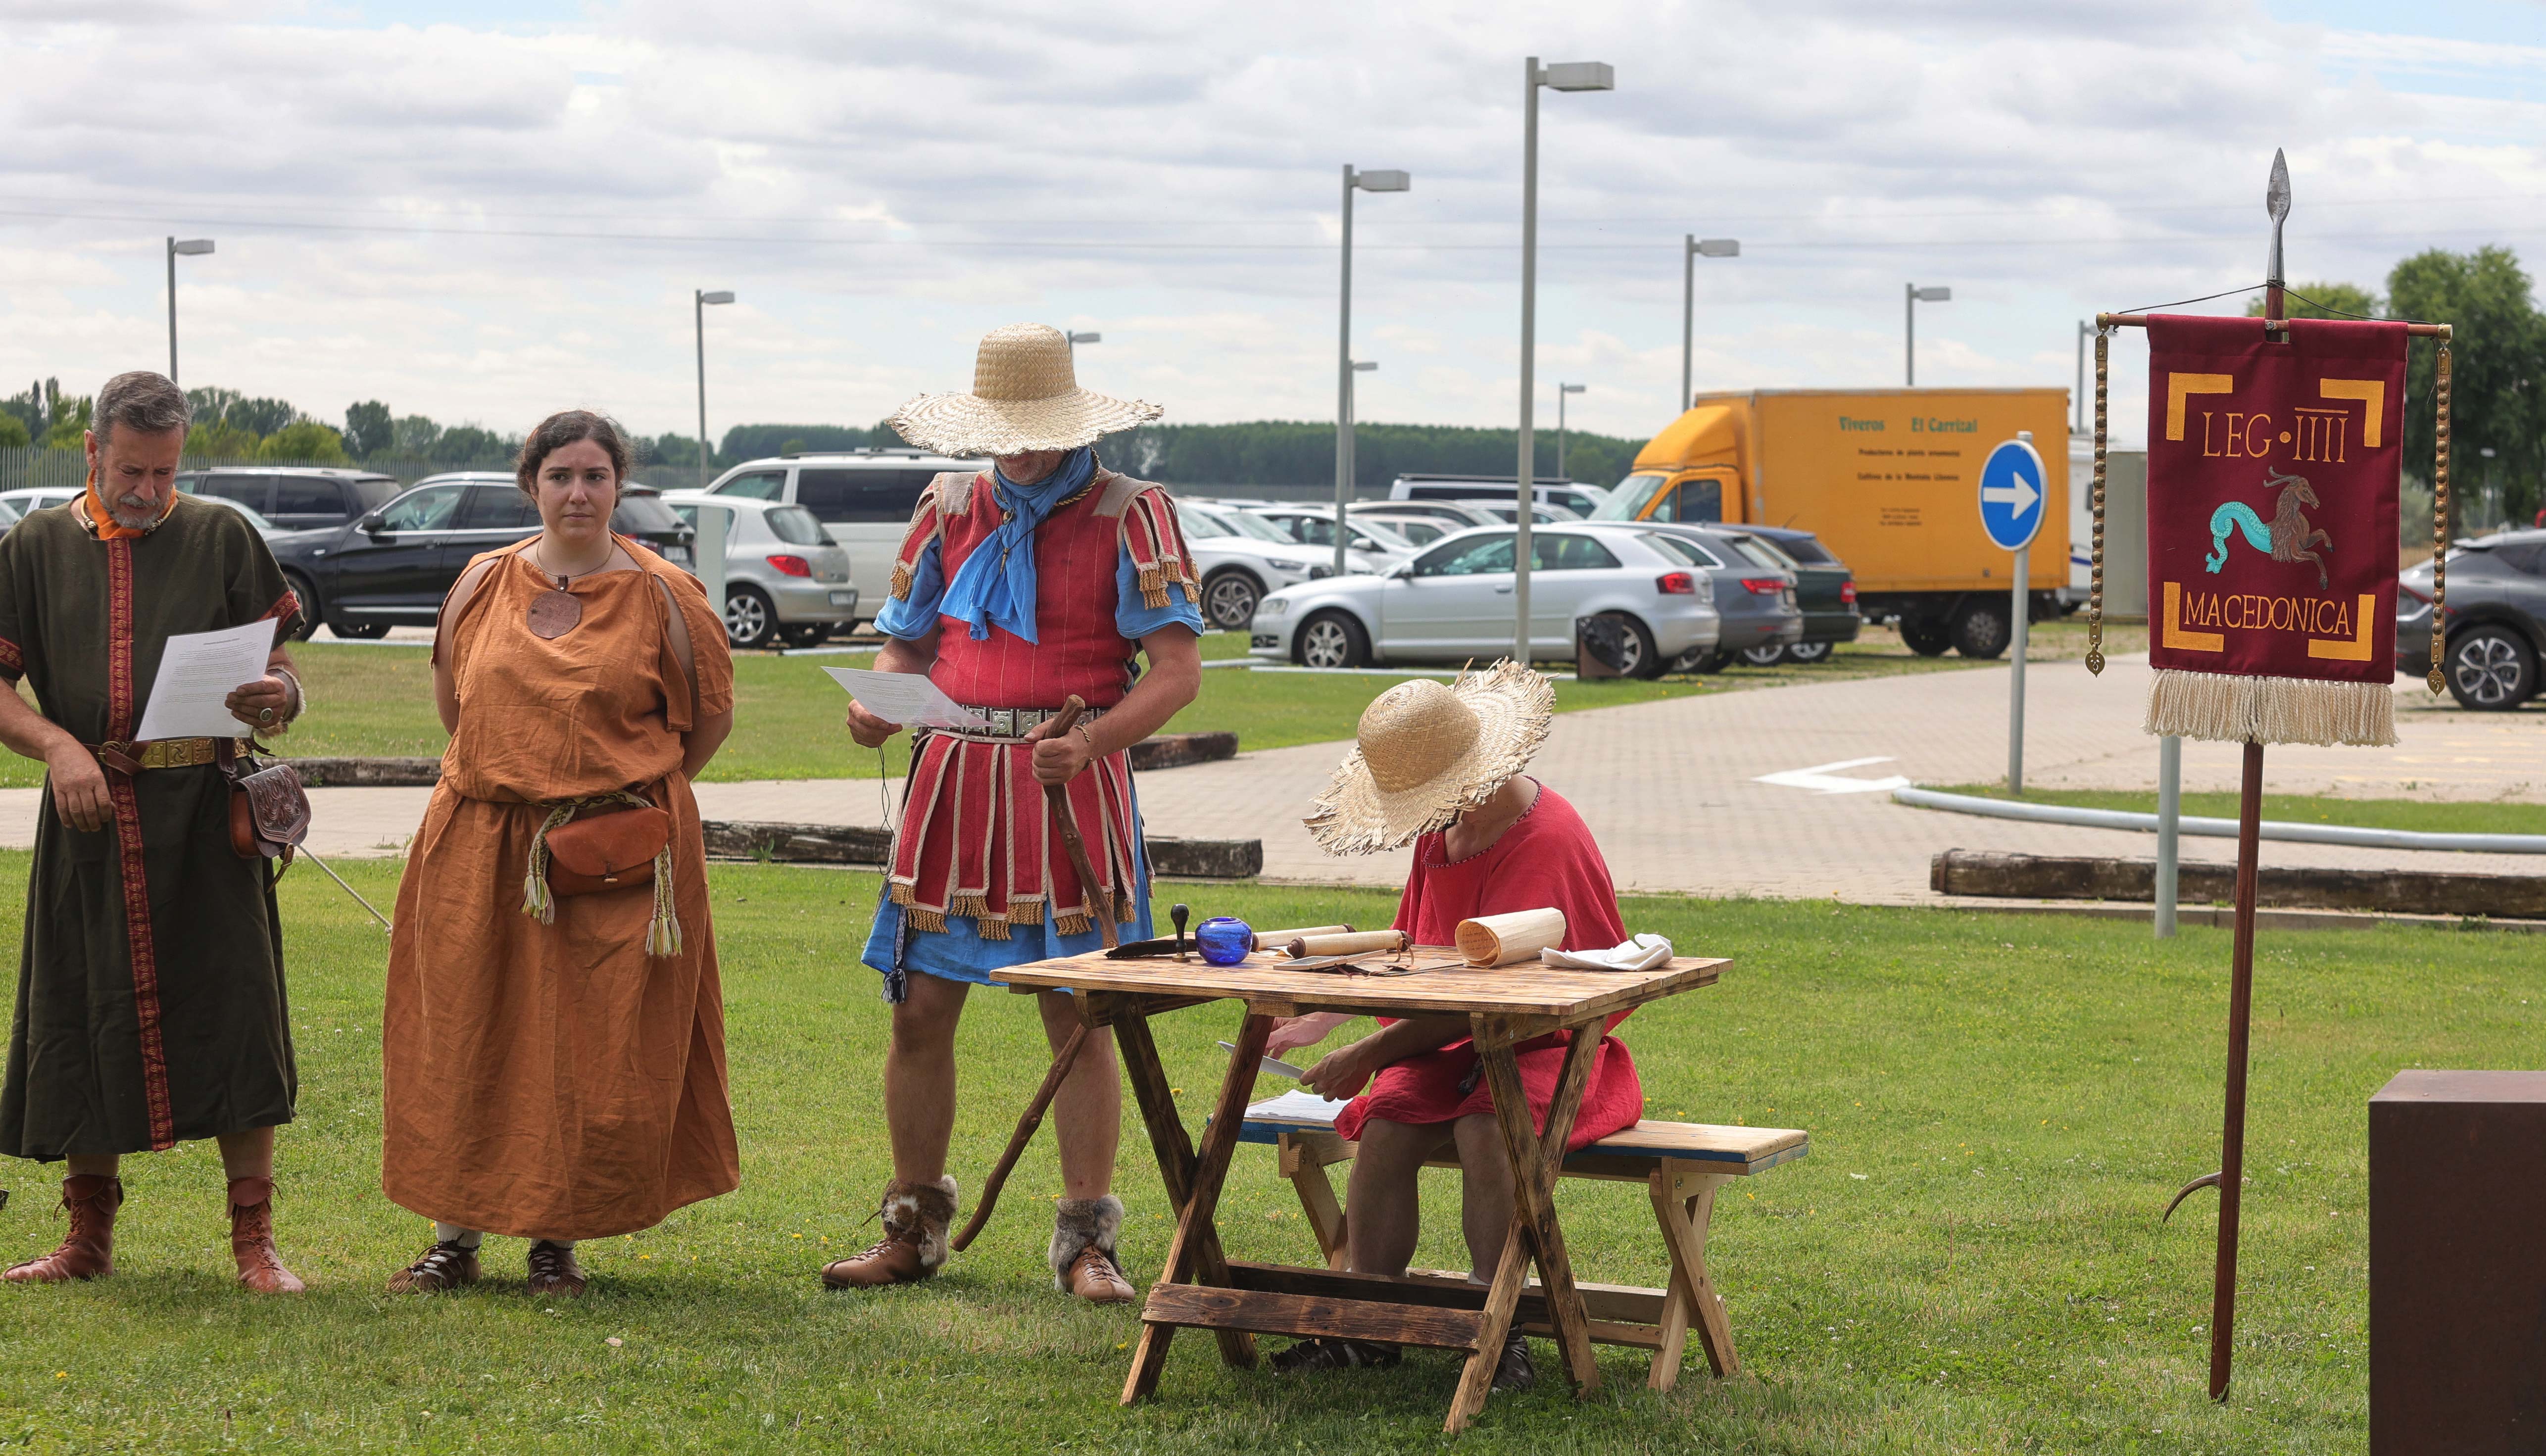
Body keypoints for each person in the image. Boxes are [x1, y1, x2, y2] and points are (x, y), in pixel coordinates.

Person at [823, 323, 1203, 1303]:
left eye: (1039, 430)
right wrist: (876, 702)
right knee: (917, 1014)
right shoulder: (949, 503)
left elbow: (1177, 673)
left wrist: (1094, 742)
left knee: (1080, 1021)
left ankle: (1088, 1242)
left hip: (1068, 787)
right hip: (950, 787)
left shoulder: (1134, 513)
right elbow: (905, 648)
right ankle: (909, 1228)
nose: (1023, 449)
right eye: (1007, 431)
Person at [379, 410, 740, 1297]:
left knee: (588, 1042)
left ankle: (555, 1240)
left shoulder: (666, 595)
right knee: (465, 1032)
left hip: (609, 858)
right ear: (531, 485)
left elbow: (708, 722)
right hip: (481, 846)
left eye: (596, 476)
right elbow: (454, 705)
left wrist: (615, 795)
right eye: (560, 476)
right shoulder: (480, 583)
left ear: (620, 486)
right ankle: (451, 1240)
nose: (578, 492)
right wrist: (519, 781)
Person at [0, 371, 311, 1292]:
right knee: (80, 1007)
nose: (147, 490)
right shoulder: (31, 549)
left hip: (206, 818)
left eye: (165, 472)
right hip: (90, 814)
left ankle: (254, 1242)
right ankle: (86, 1238)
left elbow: (283, 669)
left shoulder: (220, 534)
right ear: (92, 452)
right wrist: (59, 747)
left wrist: (280, 696)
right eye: (131, 470)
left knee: (234, 1008)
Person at [1267, 665, 1642, 1390]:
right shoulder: (1444, 835)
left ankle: (1498, 1326)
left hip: (1552, 1040)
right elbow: (1418, 951)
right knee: (1389, 1117)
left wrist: (1371, 1045)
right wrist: (1330, 1008)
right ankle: (1369, 1323)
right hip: (1448, 1036)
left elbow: (1501, 1000)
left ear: (1475, 772)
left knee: (1486, 1125)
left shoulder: (1546, 840)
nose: (1428, 816)